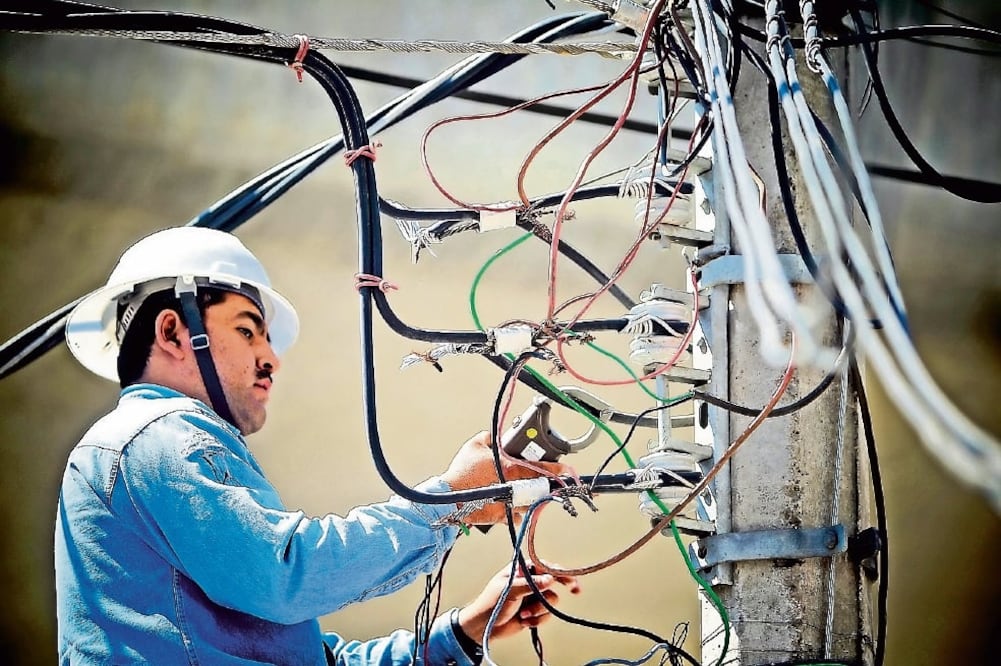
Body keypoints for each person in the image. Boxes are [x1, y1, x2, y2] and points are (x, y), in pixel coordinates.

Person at [56, 226, 579, 665]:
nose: (271, 359)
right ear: (173, 332)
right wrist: (449, 500)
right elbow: (285, 577)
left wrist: (462, 631)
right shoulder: (158, 433)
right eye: (247, 330)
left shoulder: (154, 454)